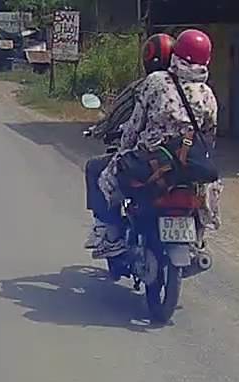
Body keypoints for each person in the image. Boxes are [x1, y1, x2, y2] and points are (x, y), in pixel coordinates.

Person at [92, 29, 219, 258]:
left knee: (104, 175)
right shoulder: (208, 94)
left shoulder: (156, 81)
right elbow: (209, 137)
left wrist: (123, 151)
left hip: (153, 159)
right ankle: (199, 240)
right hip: (187, 162)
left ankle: (111, 236)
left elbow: (135, 125)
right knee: (207, 189)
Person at [83, 33, 174, 250]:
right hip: (183, 160)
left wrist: (101, 131)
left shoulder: (145, 86)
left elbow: (125, 122)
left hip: (148, 158)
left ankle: (109, 229)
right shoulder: (197, 90)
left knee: (96, 168)